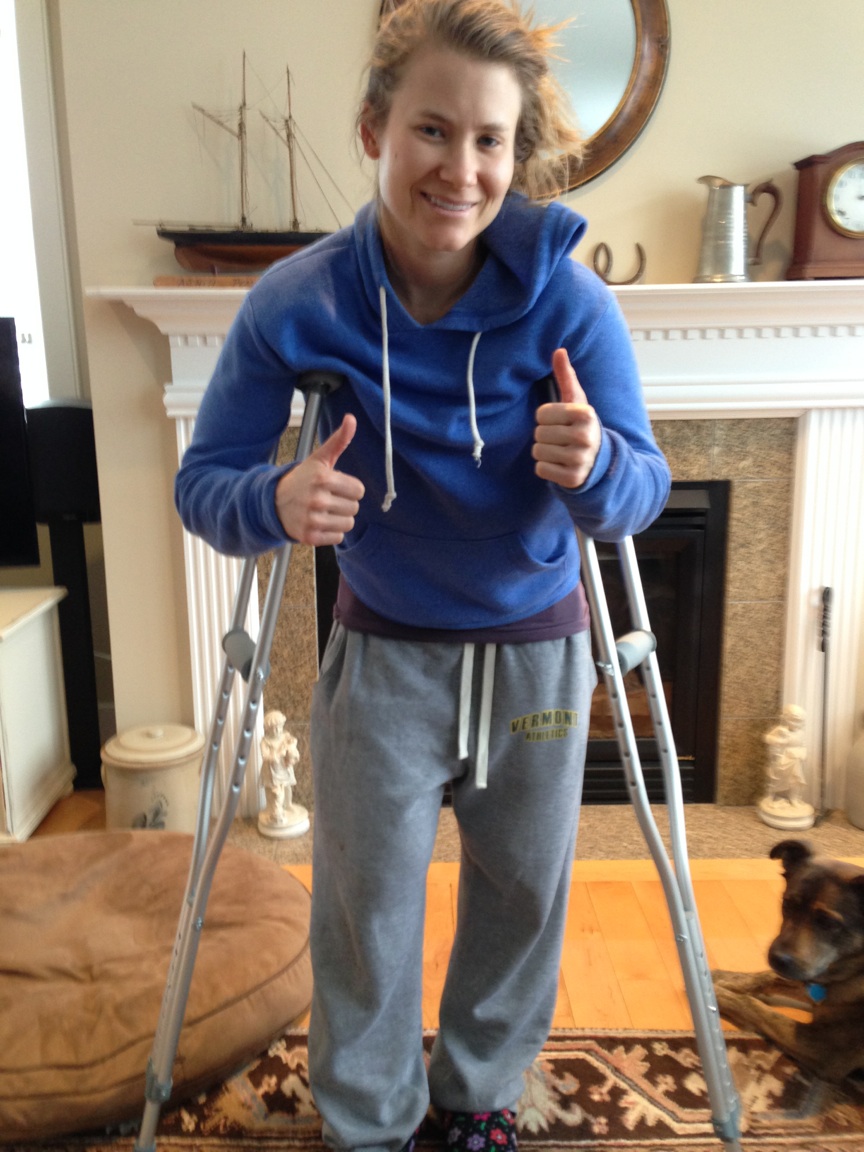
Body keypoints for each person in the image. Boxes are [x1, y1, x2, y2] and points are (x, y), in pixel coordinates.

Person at [175, 2, 671, 1150]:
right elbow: (206, 484)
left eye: (490, 139)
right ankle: (370, 1121)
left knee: (523, 896)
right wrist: (274, 501)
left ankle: (479, 1099)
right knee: (367, 908)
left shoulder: (571, 304)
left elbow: (643, 489)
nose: (462, 168)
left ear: (515, 153)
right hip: (384, 654)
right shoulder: (299, 301)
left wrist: (596, 466)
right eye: (432, 131)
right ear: (375, 130)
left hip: (539, 651)